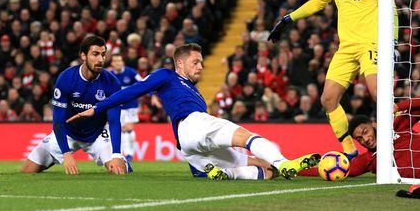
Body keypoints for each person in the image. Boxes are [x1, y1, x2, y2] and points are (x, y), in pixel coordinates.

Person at [67, 43, 320, 180]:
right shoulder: (167, 75)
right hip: (192, 125)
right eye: (195, 62)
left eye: (201, 62)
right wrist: (98, 108)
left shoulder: (196, 93)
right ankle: (286, 163)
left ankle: (228, 173)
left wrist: (196, 164)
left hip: (189, 146)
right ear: (180, 63)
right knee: (246, 136)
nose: (200, 66)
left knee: (266, 170)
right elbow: (131, 91)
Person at [268, 0, 397, 160]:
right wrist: (289, 19)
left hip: (372, 44)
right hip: (346, 48)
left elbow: (391, 8)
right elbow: (318, 2)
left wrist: (393, 41)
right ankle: (350, 149)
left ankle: (396, 141)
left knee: (379, 93)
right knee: (328, 99)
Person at [21, 35, 127, 175]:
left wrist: (116, 155)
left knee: (120, 171)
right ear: (83, 55)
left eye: (103, 54)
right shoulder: (66, 78)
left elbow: (114, 121)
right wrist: (66, 153)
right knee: (27, 170)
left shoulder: (112, 83)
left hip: (98, 133)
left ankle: (123, 162)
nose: (100, 59)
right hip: (68, 132)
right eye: (95, 54)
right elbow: (58, 121)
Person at [109, 53, 141, 161]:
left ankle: (129, 154)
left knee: (128, 128)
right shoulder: (109, 75)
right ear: (112, 63)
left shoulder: (131, 73)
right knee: (120, 129)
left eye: (119, 60)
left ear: (123, 62)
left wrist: (152, 95)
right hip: (116, 107)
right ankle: (122, 153)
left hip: (130, 106)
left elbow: (143, 83)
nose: (118, 63)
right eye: (115, 61)